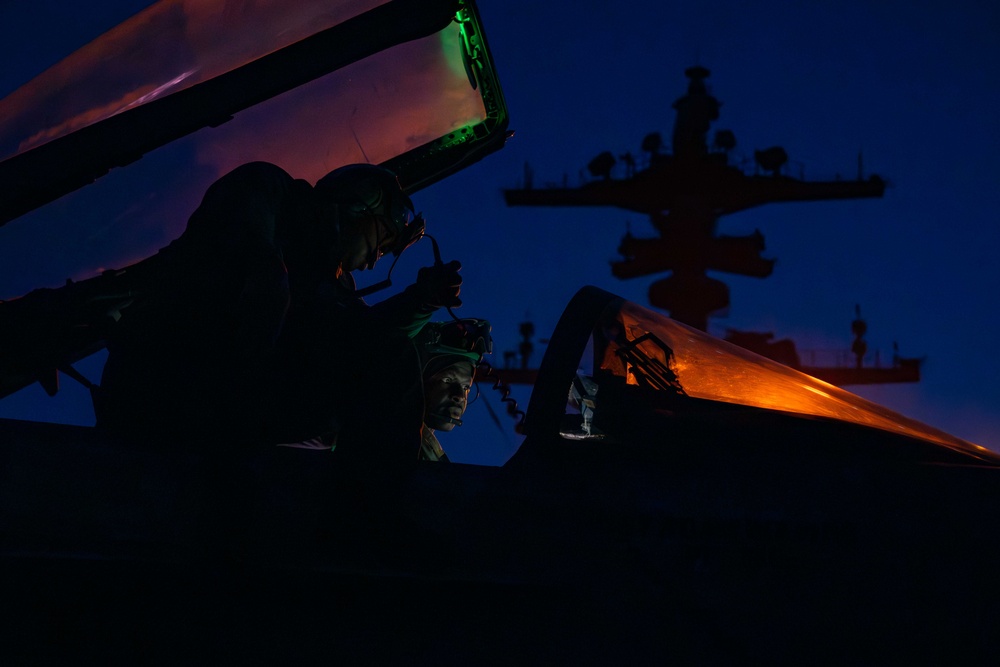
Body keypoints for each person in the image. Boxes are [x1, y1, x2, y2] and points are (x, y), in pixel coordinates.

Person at [96, 160, 462, 444]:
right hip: (171, 382)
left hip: (232, 404)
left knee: (388, 355)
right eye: (380, 244)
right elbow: (248, 265)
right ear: (360, 206)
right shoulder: (269, 191)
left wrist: (421, 301)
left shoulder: (333, 282)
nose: (372, 262)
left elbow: (364, 337)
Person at [414, 318, 492, 462]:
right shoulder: (385, 435)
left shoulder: (426, 450)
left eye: (466, 387)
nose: (460, 396)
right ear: (417, 381)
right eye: (448, 380)